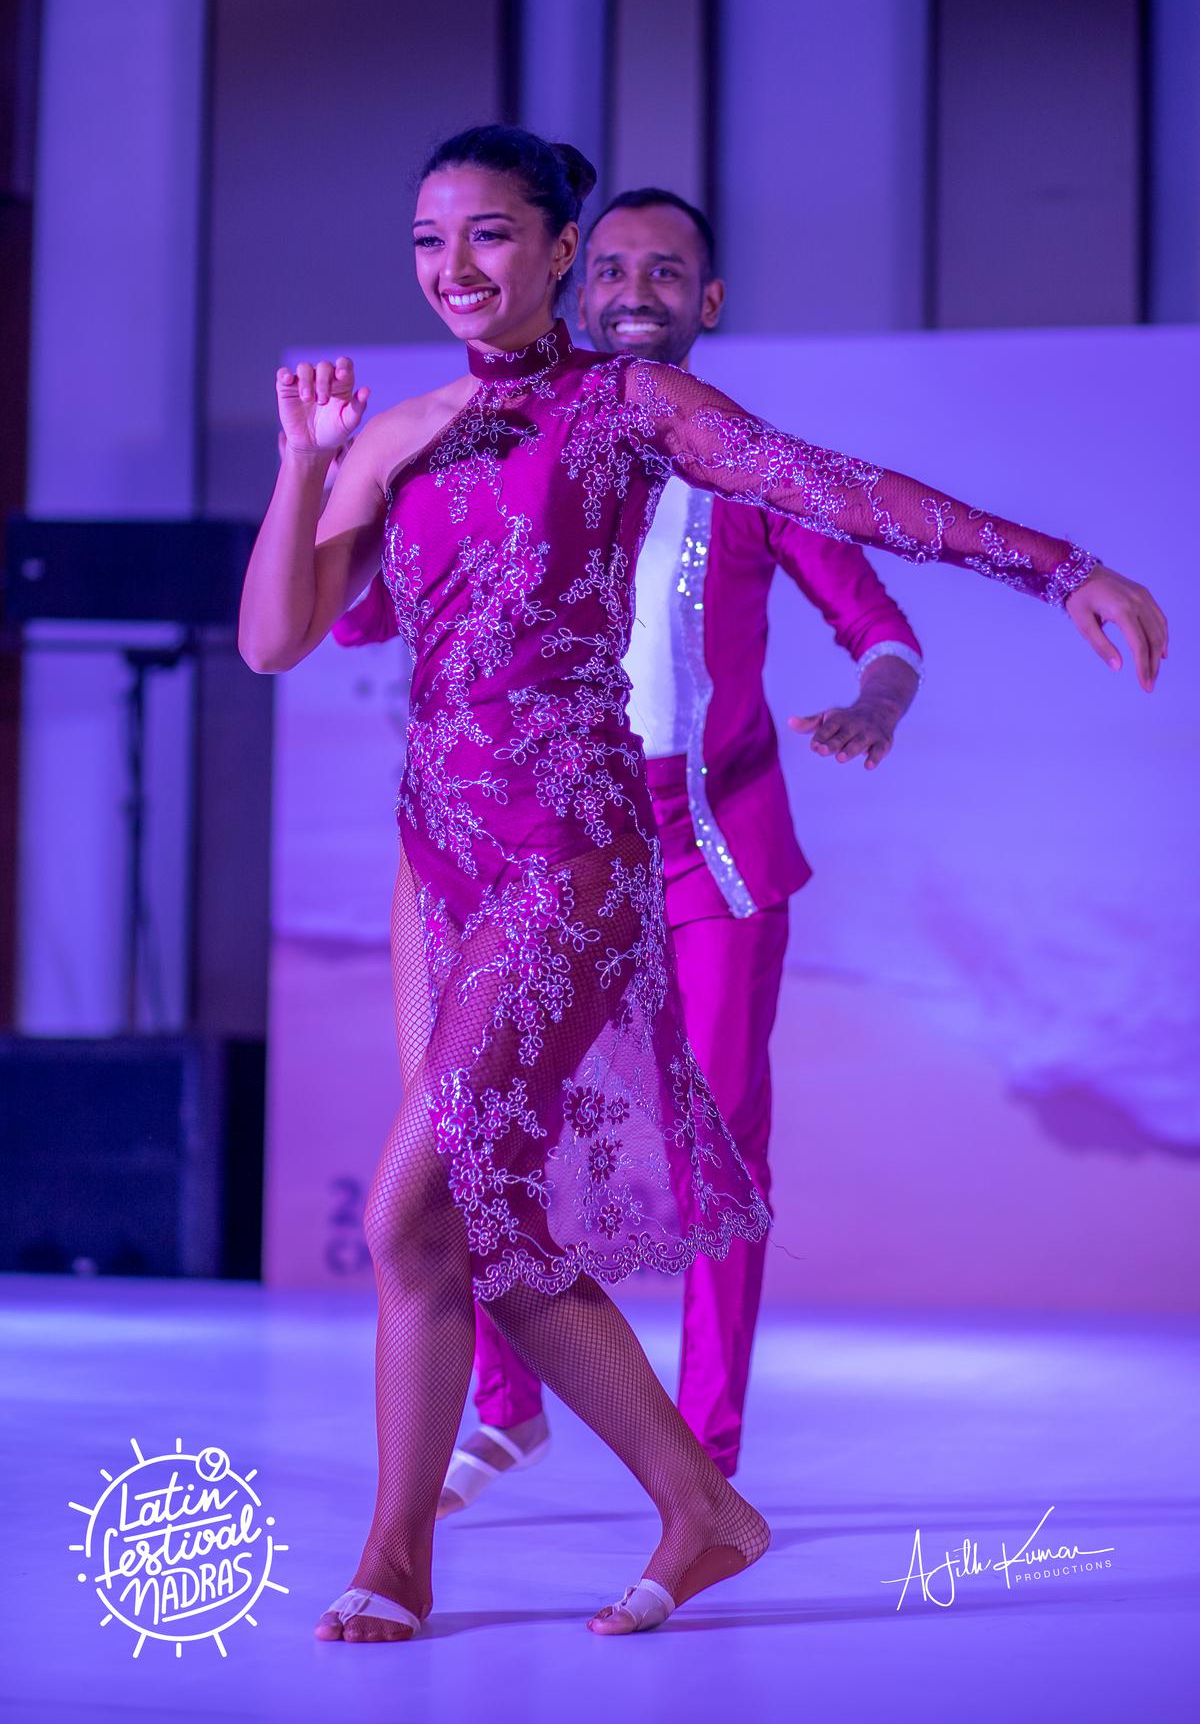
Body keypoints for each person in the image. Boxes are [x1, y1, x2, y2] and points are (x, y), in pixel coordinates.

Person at [238, 124, 1166, 1646]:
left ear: (556, 254)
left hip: (570, 859)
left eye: (488, 237)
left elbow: (841, 490)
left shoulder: (628, 405)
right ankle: (684, 1511)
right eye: (426, 240)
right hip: (437, 861)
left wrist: (1061, 568)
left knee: (418, 1205)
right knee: (476, 1215)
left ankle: (415, 1540)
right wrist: (302, 465)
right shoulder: (396, 436)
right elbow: (274, 639)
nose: (454, 269)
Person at [434, 188, 924, 1513]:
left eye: (670, 269)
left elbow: (878, 623)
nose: (634, 286)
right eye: (613, 265)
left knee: (722, 1160)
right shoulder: (509, 444)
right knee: (480, 1131)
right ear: (574, 288)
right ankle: (504, 1403)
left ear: (707, 305)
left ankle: (703, 1461)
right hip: (553, 846)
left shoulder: (746, 462)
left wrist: (875, 704)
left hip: (711, 849)